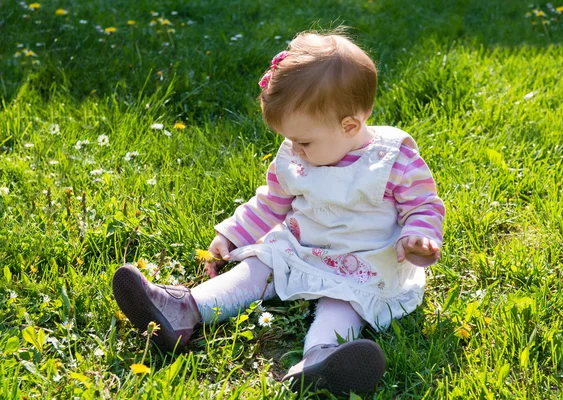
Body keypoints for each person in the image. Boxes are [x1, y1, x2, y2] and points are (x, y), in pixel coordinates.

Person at [112, 30, 445, 396]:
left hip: (362, 262)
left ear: (349, 125)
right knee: (259, 267)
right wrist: (232, 234)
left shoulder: (392, 158)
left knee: (343, 302)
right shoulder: (295, 153)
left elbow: (423, 204)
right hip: (301, 246)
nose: (295, 151)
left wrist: (419, 235)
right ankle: (185, 310)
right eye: (290, 140)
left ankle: (321, 358)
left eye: (304, 142)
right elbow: (271, 202)